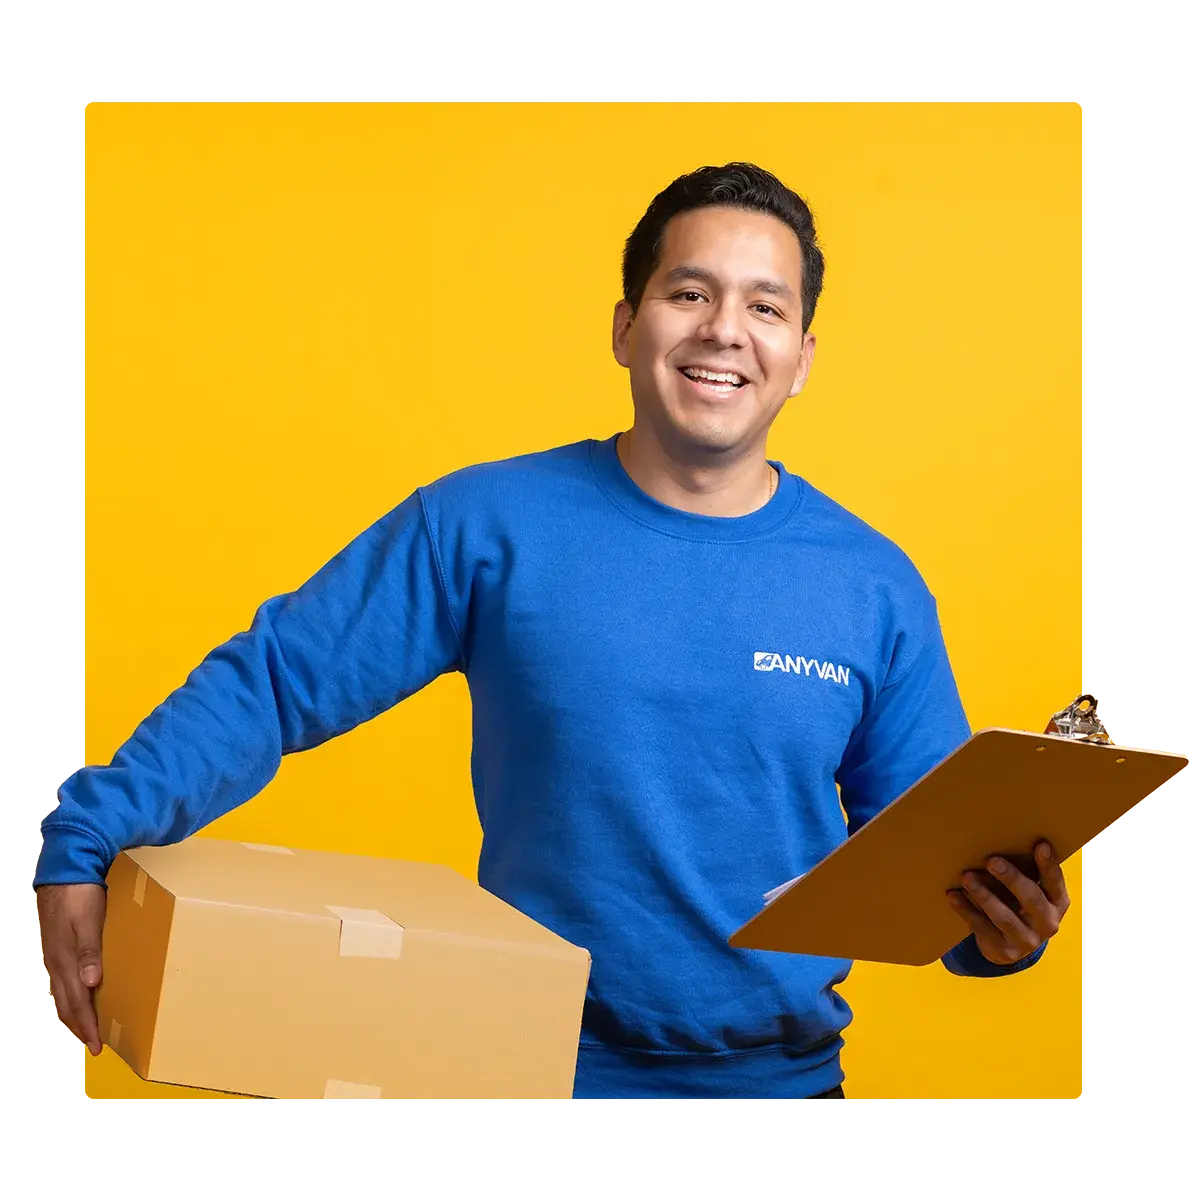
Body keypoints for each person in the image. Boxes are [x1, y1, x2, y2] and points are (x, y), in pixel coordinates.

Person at [35, 162, 1071, 1103]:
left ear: (801, 358)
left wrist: (998, 933)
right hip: (526, 1083)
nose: (724, 330)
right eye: (689, 293)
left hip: (784, 1101)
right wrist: (82, 840)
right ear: (626, 326)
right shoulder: (486, 526)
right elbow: (275, 682)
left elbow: (934, 868)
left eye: (765, 306)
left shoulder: (874, 586)